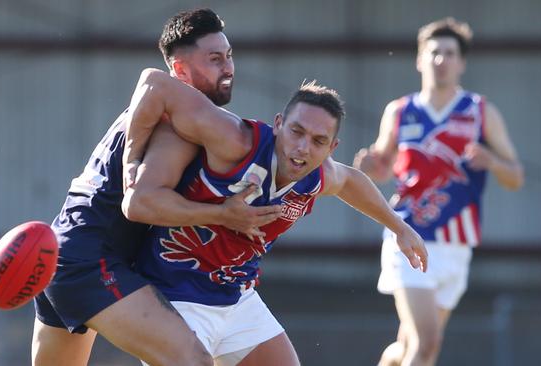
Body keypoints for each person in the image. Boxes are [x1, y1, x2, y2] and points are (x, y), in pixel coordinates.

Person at [121, 68, 428, 366]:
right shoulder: (236, 141)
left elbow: (350, 180)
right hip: (174, 292)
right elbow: (155, 83)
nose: (303, 147)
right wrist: (132, 158)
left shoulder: (319, 175)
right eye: (297, 131)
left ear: (332, 148)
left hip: (236, 297)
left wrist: (399, 228)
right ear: (279, 123)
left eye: (319, 141)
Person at [31, 9, 282, 366]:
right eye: (214, 59)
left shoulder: (153, 110)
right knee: (192, 359)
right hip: (91, 259)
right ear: (179, 70)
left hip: (62, 251)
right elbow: (140, 202)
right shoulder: (174, 120)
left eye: (228, 56)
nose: (228, 68)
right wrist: (224, 215)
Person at [352, 17, 524, 366]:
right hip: (409, 234)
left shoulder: (480, 112)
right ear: (419, 59)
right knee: (427, 343)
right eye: (434, 53)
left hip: (457, 245)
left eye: (449, 53)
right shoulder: (399, 111)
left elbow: (515, 176)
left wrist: (491, 159)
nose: (441, 60)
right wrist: (370, 166)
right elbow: (383, 168)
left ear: (462, 63)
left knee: (409, 346)